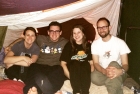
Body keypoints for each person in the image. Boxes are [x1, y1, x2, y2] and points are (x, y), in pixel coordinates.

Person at [23, 21, 68, 94]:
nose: (54, 33)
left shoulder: (65, 42)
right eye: (51, 31)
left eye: (57, 31)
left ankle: (39, 91)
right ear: (48, 32)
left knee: (60, 70)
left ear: (60, 32)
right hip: (39, 66)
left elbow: (77, 44)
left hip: (55, 67)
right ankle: (31, 90)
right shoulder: (40, 38)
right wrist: (10, 46)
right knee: (33, 67)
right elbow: (26, 40)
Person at [91, 17, 131, 94]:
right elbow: (96, 63)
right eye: (99, 27)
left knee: (113, 63)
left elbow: (125, 65)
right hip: (103, 72)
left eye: (104, 27)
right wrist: (105, 71)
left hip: (118, 71)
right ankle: (116, 83)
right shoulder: (95, 44)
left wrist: (121, 71)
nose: (101, 29)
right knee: (93, 77)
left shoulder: (120, 42)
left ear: (109, 27)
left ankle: (112, 89)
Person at [60, 25, 94, 94]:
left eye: (79, 32)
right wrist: (71, 77)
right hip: (73, 71)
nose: (76, 35)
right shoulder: (69, 45)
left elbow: (92, 63)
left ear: (83, 33)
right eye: (74, 33)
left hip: (84, 71)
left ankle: (85, 92)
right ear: (72, 35)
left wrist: (87, 74)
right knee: (74, 62)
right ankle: (77, 92)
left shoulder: (88, 46)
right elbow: (62, 63)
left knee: (84, 63)